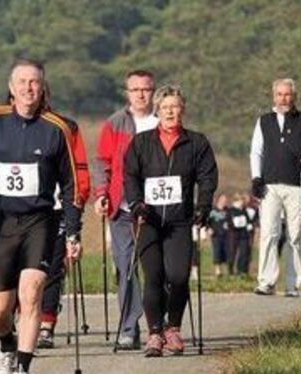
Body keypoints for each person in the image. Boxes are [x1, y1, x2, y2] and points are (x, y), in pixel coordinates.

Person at [0, 58, 83, 374]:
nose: (29, 88)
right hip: (1, 221)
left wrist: (73, 231)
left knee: (30, 294)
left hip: (41, 221)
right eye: (23, 82)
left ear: (42, 88)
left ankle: (23, 367)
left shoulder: (56, 129)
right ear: (11, 88)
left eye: (35, 82)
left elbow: (72, 184)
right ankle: (7, 344)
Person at [124, 85, 218, 357]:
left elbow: (207, 177)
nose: (170, 111)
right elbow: (130, 175)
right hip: (148, 220)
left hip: (179, 221)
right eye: (165, 107)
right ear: (158, 110)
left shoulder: (196, 142)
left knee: (178, 276)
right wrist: (136, 203)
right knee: (153, 275)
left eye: (175, 106)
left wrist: (203, 206)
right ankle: (154, 333)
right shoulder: (141, 142)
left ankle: (173, 327)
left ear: (183, 110)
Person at [93, 69, 158, 349]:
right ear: (127, 92)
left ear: (153, 91)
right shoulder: (115, 123)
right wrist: (101, 194)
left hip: (158, 208)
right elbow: (101, 162)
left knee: (157, 268)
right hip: (121, 207)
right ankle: (129, 327)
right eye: (135, 90)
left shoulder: (163, 120)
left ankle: (160, 326)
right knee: (126, 267)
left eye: (146, 89)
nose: (141, 94)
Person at [250, 78, 301, 297]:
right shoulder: (264, 121)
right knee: (269, 233)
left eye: (287, 94)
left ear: (294, 96)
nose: (284, 98)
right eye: (280, 94)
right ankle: (266, 282)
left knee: (294, 235)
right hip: (270, 184)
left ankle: (293, 284)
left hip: (296, 185)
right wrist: (256, 177)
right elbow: (256, 151)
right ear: (274, 96)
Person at [38, 118, 91, 349]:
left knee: (52, 270)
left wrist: (78, 203)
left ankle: (46, 325)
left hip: (57, 209)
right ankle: (22, 317)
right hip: (20, 212)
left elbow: (79, 169)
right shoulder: (4, 124)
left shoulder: (65, 127)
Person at [227, 193, 251, 276]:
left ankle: (241, 270)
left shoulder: (243, 210)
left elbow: (248, 220)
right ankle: (230, 270)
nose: (242, 202)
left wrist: (249, 224)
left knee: (244, 252)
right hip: (233, 234)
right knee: (232, 252)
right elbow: (229, 221)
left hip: (243, 234)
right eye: (241, 200)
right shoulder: (231, 210)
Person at [207, 193, 230, 277]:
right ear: (219, 200)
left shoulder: (227, 211)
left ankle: (225, 270)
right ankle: (218, 270)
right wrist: (209, 228)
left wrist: (229, 225)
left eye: (226, 200)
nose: (224, 202)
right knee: (217, 251)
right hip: (216, 234)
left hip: (225, 234)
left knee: (225, 252)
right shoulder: (213, 211)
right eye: (223, 200)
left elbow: (231, 220)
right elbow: (208, 222)